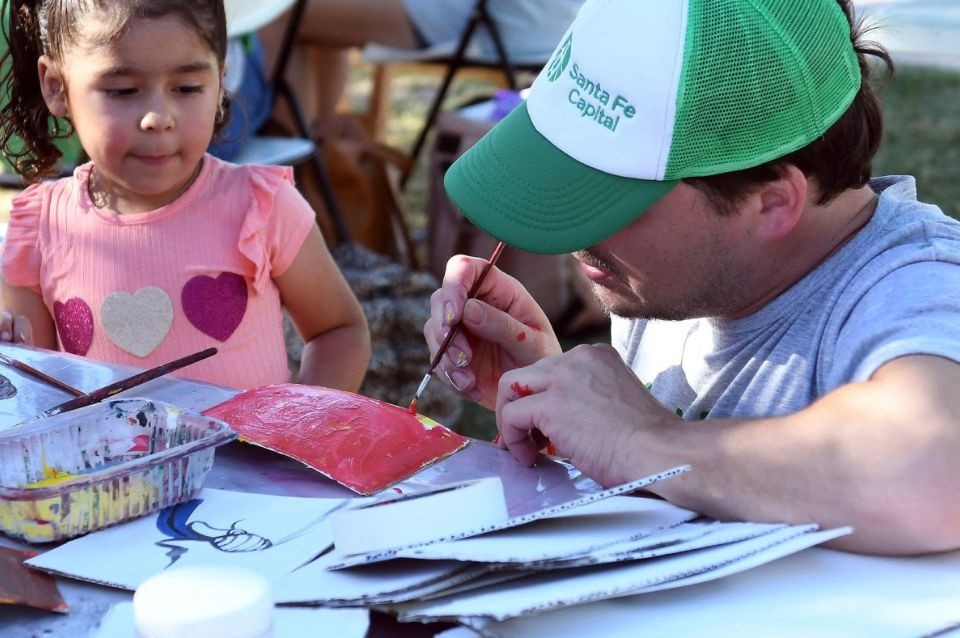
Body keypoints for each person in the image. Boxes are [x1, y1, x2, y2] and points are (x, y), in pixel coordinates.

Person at [424, 0, 960, 556]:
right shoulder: (688, 281)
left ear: (772, 202)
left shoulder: (915, 286)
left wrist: (642, 439)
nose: (573, 237)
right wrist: (564, 406)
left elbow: (934, 469)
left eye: (614, 198)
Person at [0, 0, 371, 392]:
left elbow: (339, 331)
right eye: (123, 90)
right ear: (56, 86)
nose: (158, 118)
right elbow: (36, 381)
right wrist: (13, 356)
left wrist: (301, 435)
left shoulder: (260, 207)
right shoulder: (40, 228)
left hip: (243, 455)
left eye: (188, 88)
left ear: (220, 82)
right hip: (103, 455)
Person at [258, 0, 585, 122]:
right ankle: (320, 145)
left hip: (504, 21)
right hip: (565, 24)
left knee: (279, 13)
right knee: (323, 22)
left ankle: (286, 170)